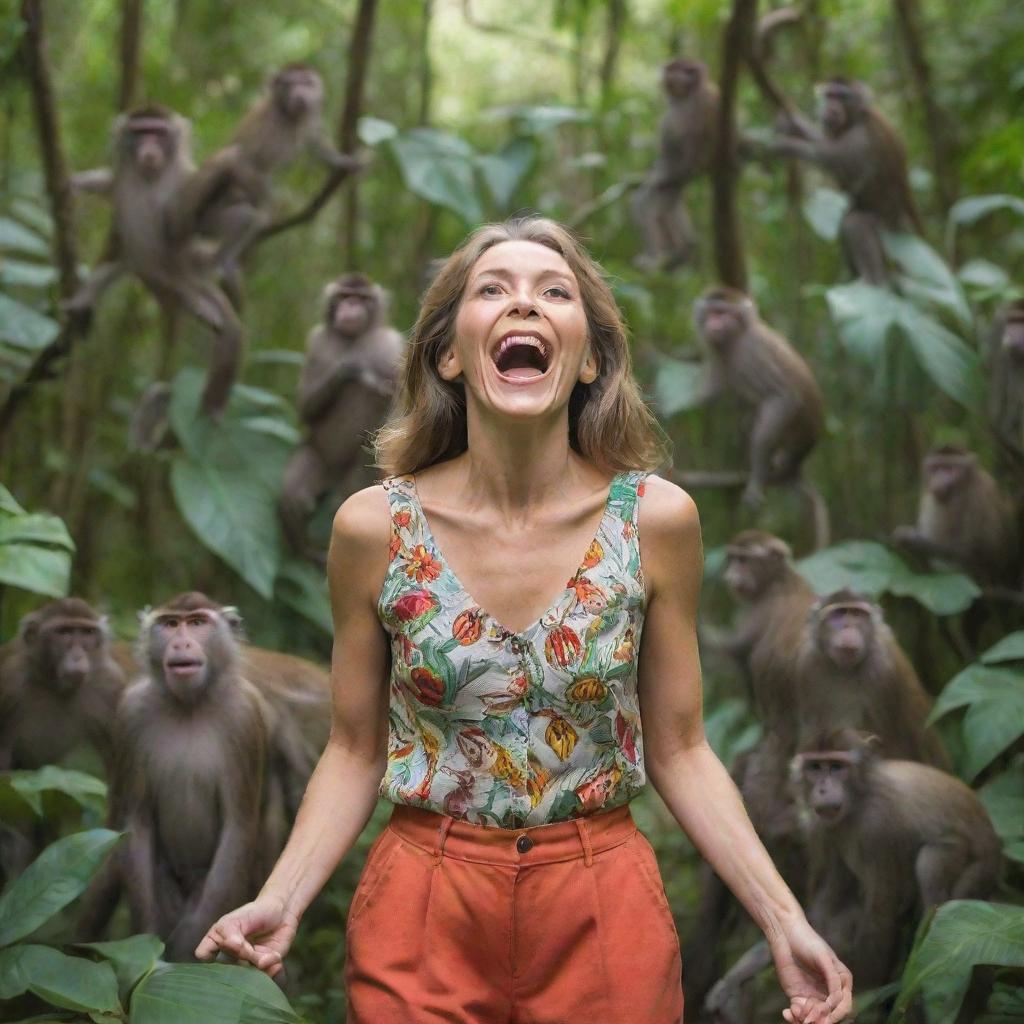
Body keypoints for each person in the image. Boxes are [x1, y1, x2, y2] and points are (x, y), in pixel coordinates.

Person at [196, 217, 853, 1024]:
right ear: (447, 353)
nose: (524, 307)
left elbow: (680, 747)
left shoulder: (655, 520)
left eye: (554, 293)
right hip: (424, 901)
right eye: (493, 290)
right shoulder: (374, 528)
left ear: (586, 358)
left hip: (602, 903)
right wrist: (282, 897)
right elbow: (355, 746)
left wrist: (785, 920)